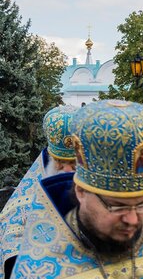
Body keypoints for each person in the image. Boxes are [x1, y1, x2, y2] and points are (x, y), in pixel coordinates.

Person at [4, 100, 143, 278]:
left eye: (140, 205)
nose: (132, 219)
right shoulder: (37, 265)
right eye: (117, 206)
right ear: (81, 191)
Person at [0, 105, 78, 277]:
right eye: (59, 163)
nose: (67, 172)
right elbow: (10, 234)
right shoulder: (28, 196)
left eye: (74, 165)